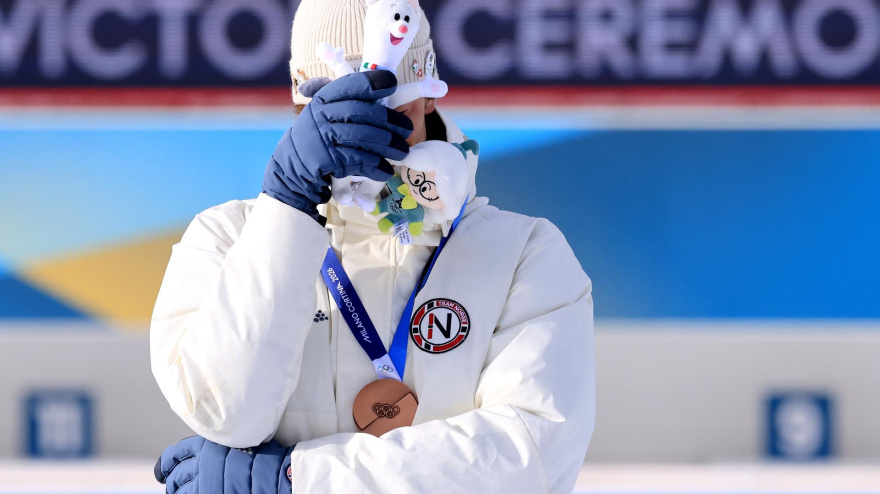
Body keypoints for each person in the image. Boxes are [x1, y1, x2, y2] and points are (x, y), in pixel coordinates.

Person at [150, 0, 595, 492]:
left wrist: (297, 481)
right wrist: (288, 208)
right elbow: (226, 412)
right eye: (332, 106)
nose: (363, 130)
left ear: (428, 96)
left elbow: (528, 456)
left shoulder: (524, 254)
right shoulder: (227, 239)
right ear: (300, 104)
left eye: (386, 101)